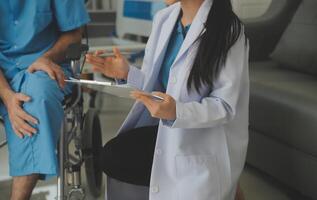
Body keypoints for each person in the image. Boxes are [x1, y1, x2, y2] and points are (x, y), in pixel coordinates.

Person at [87, 0, 249, 199]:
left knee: (118, 158)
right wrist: (127, 73)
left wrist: (177, 112)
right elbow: (159, 84)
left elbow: (225, 106)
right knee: (113, 156)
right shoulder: (165, 19)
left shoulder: (228, 30)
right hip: (168, 130)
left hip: (200, 141)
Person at [0, 1, 90, 199]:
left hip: (46, 64)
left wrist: (47, 57)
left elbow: (74, 33)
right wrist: (7, 96)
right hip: (2, 70)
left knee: (34, 99)